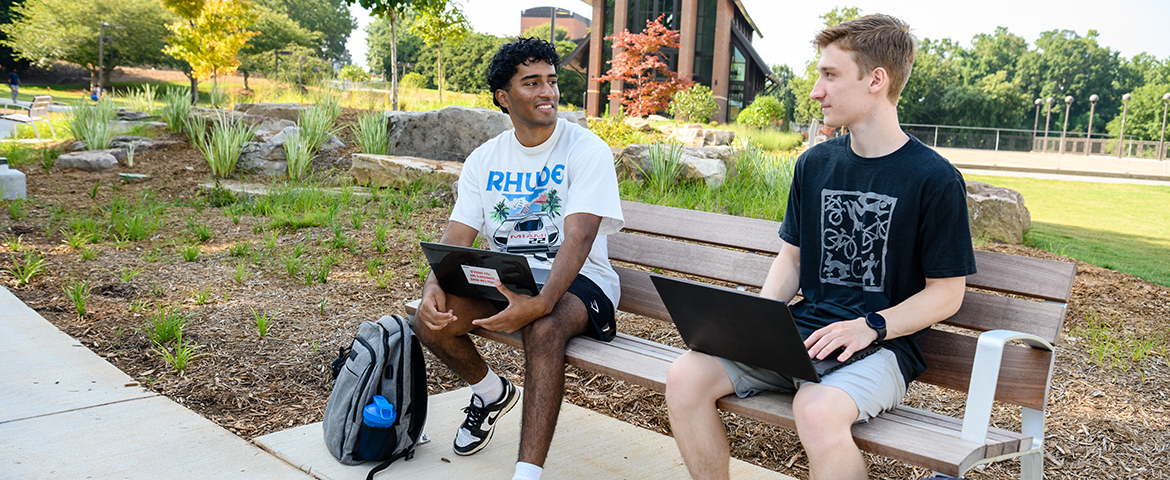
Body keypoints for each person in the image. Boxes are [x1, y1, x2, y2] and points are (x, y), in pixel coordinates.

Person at [664, 14, 977, 480]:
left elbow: (947, 293)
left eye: (830, 75)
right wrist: (752, 323)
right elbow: (792, 257)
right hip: (799, 335)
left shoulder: (934, 178)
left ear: (876, 80)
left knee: (816, 408)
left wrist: (870, 326)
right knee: (685, 376)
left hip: (881, 349)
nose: (815, 90)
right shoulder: (814, 164)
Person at [413, 37, 623, 480]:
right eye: (532, 83)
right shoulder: (484, 159)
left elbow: (580, 236)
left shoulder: (586, 150)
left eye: (551, 80)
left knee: (544, 330)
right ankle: (490, 392)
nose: (548, 91)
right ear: (504, 98)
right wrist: (434, 285)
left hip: (583, 279)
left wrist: (542, 303)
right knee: (432, 319)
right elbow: (457, 236)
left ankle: (526, 475)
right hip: (512, 275)